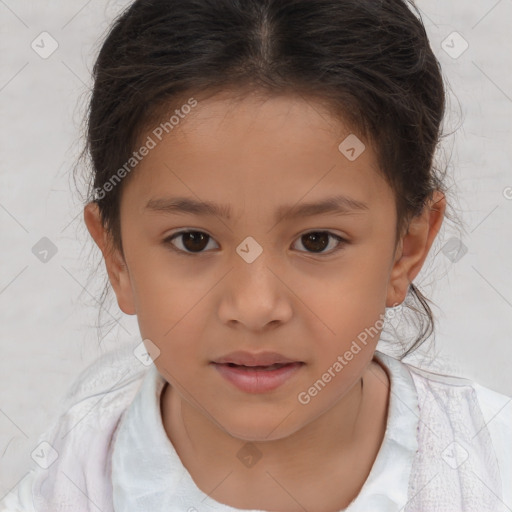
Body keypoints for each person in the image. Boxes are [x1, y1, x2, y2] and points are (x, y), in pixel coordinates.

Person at [1, 0, 510, 511]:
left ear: (408, 248)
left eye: (317, 241)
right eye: (193, 240)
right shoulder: (69, 487)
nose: (255, 306)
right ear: (117, 256)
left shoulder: (494, 468)